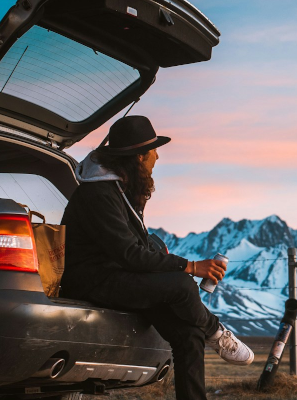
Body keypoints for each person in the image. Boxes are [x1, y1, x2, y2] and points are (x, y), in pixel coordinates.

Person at [59, 116, 254, 400]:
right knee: (183, 285)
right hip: (94, 281)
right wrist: (189, 266)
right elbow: (129, 254)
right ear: (138, 157)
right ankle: (216, 331)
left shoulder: (121, 189)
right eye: (153, 150)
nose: (157, 156)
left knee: (189, 334)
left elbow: (137, 250)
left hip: (119, 278)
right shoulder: (98, 193)